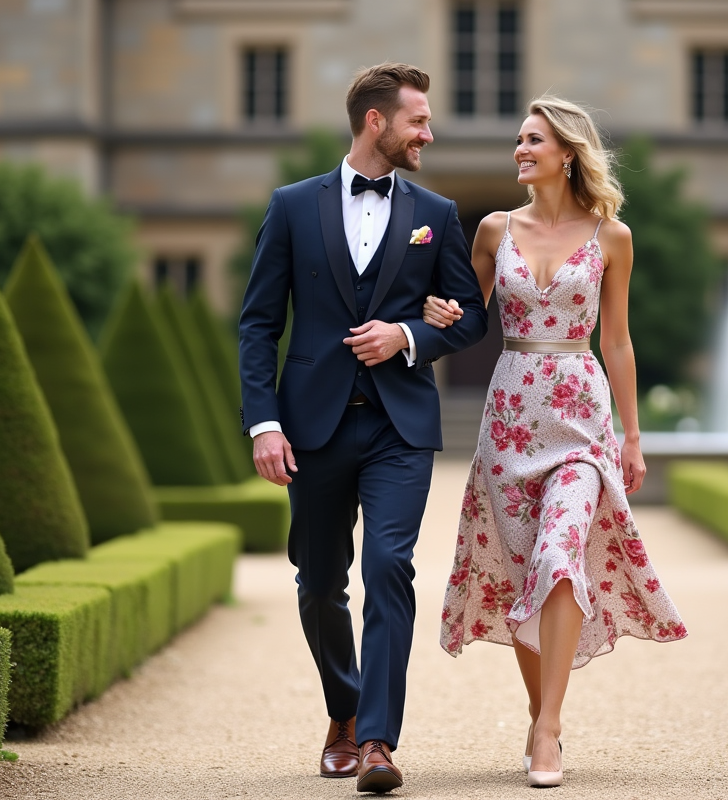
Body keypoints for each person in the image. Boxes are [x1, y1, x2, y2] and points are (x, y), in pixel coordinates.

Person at [238, 63, 488, 794]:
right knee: (318, 585)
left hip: (398, 428)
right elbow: (258, 324)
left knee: (389, 567)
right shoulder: (290, 207)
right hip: (309, 429)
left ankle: (377, 741)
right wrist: (263, 423)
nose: (430, 134)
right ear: (376, 122)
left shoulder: (437, 213)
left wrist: (408, 336)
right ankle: (342, 713)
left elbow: (469, 315)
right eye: (419, 121)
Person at [423, 96, 687, 788]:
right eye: (518, 138)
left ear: (567, 151)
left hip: (579, 420)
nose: (519, 148)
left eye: (532, 139)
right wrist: (434, 312)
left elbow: (618, 341)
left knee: (559, 554)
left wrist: (632, 435)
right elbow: (461, 323)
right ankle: (540, 710)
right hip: (509, 420)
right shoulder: (490, 230)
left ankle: (548, 729)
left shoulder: (612, 236)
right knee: (521, 577)